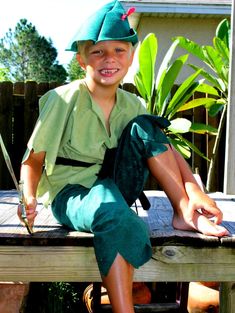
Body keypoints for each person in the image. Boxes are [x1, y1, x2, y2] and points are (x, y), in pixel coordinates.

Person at [18, 1, 229, 312]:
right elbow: (32, 161)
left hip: (118, 183)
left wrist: (194, 191)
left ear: (131, 56)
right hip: (72, 192)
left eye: (119, 50)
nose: (109, 59)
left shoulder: (133, 103)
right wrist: (29, 197)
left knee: (146, 125)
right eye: (98, 52)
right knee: (114, 214)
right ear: (81, 59)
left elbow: (162, 145)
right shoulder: (62, 100)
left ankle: (183, 210)